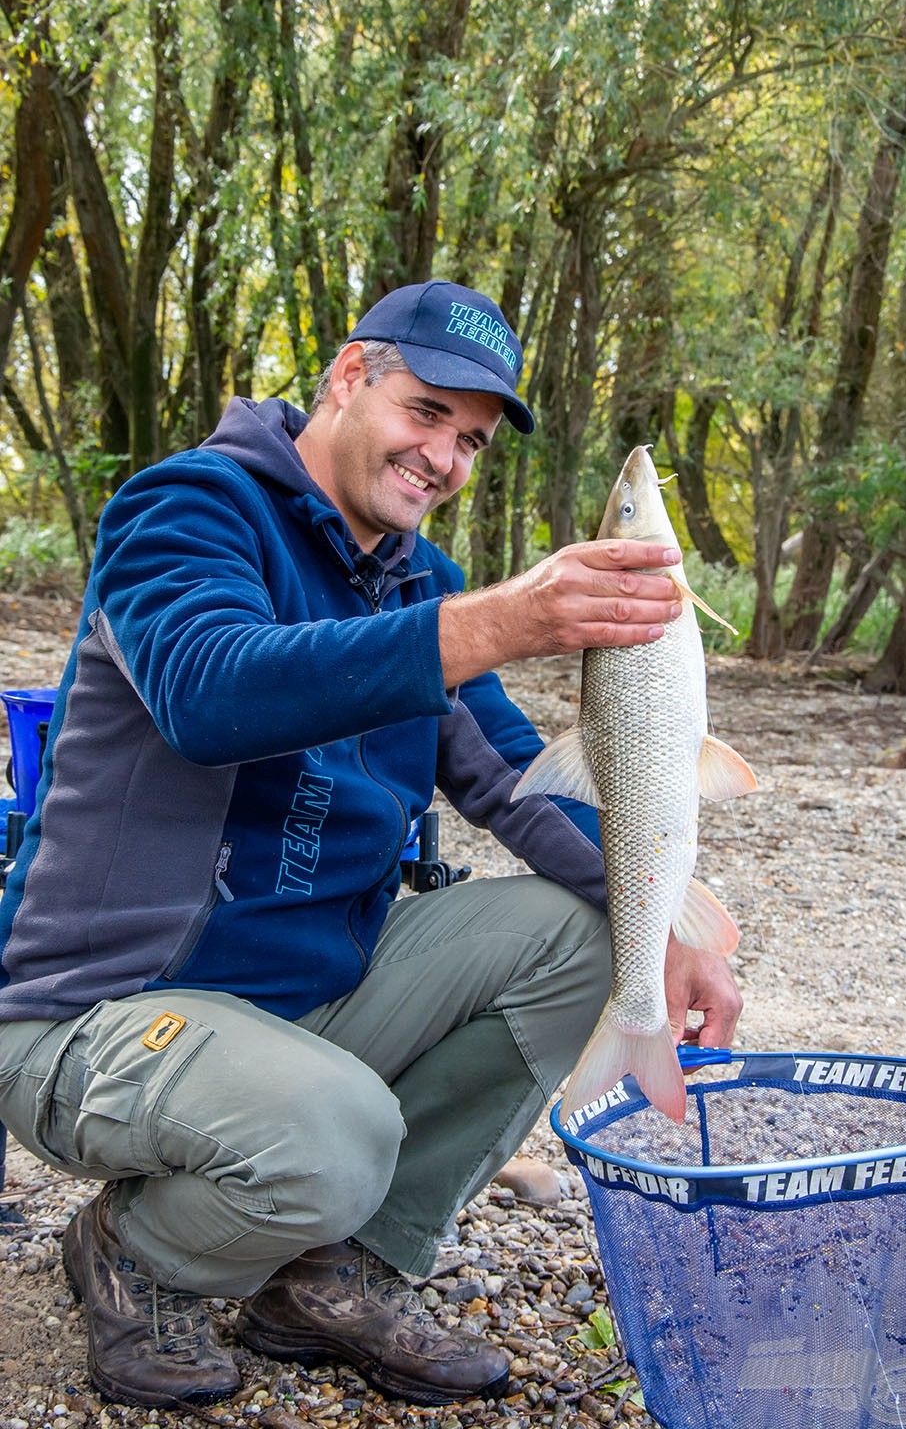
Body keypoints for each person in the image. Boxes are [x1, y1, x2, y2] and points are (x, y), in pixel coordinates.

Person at [0, 280, 741, 1410]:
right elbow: (210, 693)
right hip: (95, 1016)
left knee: (573, 929)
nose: (444, 456)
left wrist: (676, 918)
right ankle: (136, 1255)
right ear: (351, 375)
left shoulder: (416, 581)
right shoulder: (186, 510)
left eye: (473, 440)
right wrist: (506, 618)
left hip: (298, 1010)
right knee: (336, 1134)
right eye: (426, 411)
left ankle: (331, 1272)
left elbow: (514, 784)